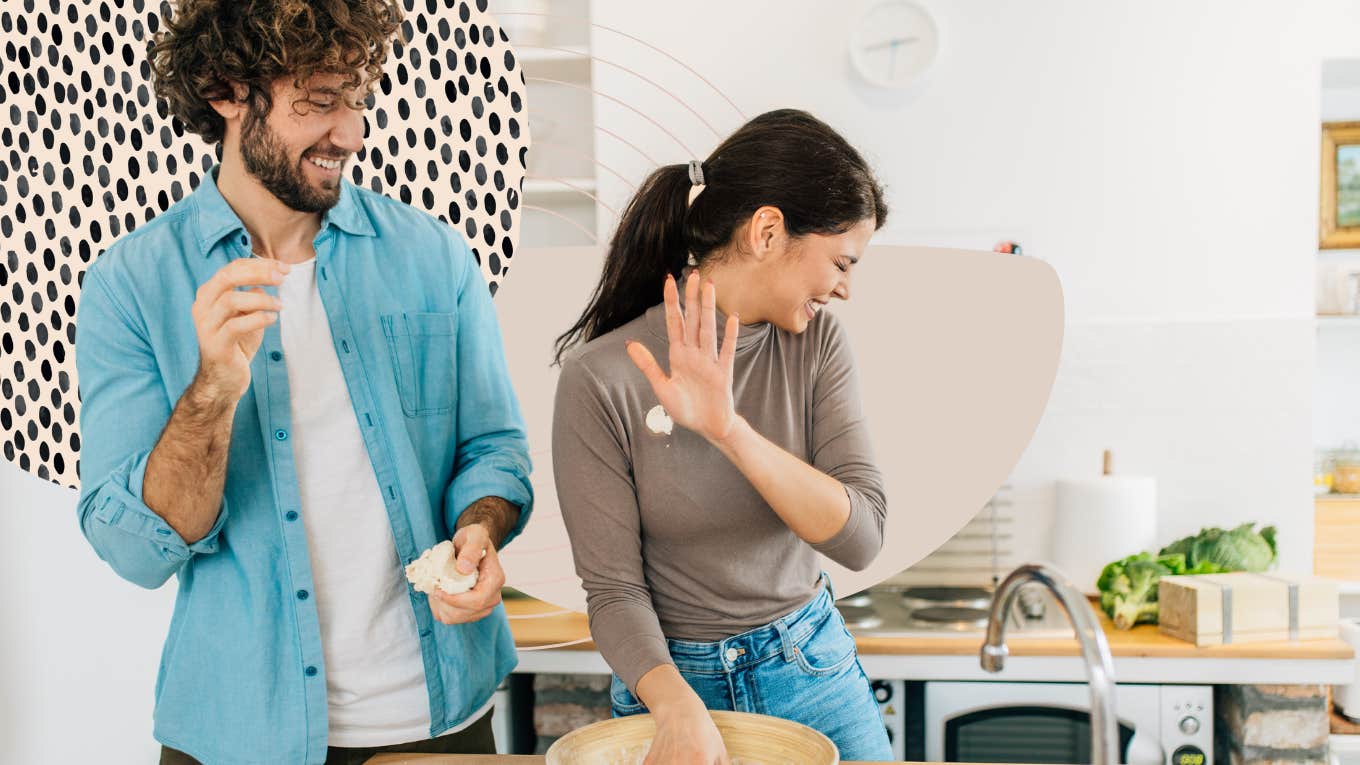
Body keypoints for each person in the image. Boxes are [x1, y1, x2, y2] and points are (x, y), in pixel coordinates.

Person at [73, 2, 533, 762]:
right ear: (226, 90)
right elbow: (135, 552)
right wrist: (213, 390)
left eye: (355, 100)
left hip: (438, 718)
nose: (350, 133)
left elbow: (493, 447)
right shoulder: (130, 284)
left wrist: (479, 530)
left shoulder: (433, 256)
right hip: (237, 733)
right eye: (318, 103)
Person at [551, 108, 894, 762]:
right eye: (842, 260)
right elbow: (615, 591)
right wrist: (678, 706)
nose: (846, 288)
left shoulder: (816, 345)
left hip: (811, 671)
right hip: (670, 689)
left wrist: (727, 428)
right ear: (768, 230)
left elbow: (861, 537)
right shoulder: (600, 379)